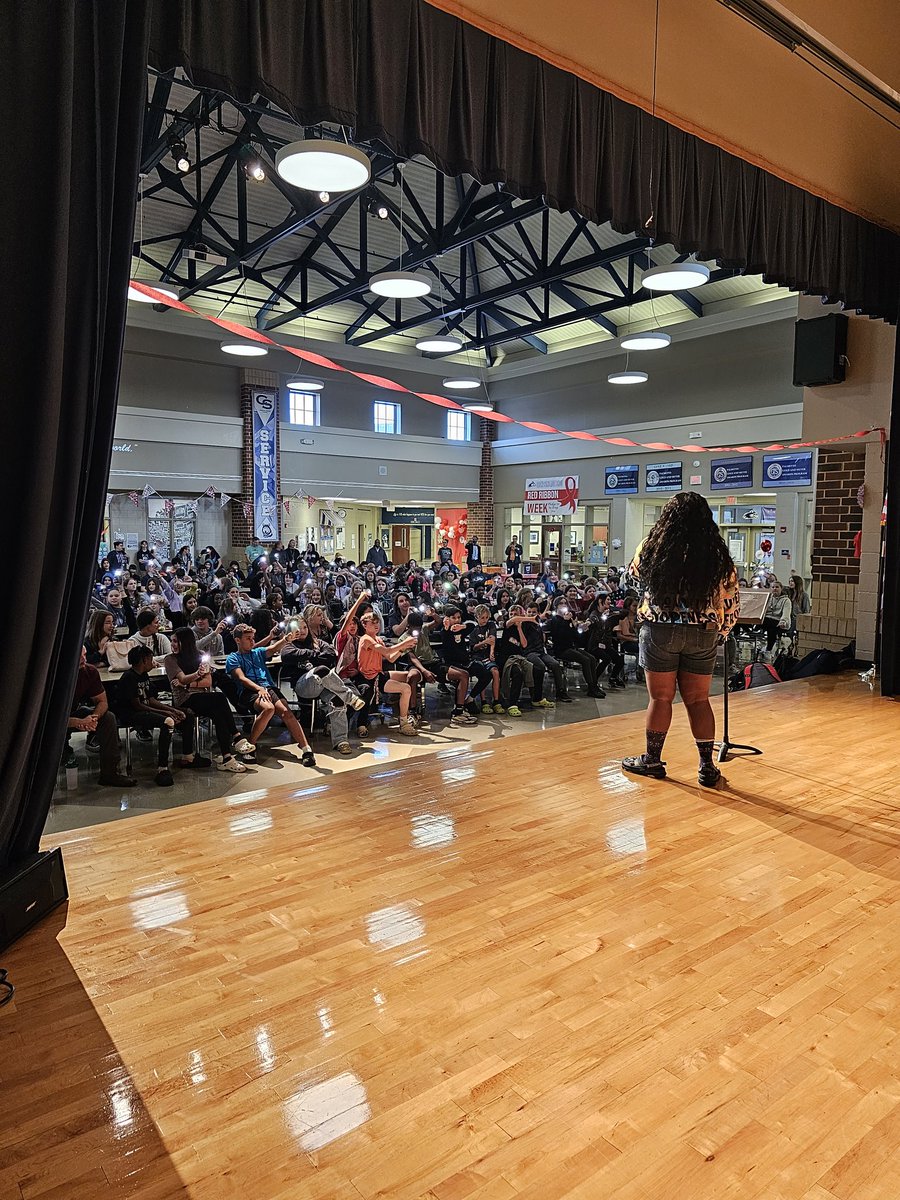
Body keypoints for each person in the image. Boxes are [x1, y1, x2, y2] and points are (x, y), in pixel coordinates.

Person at [621, 492, 739, 788]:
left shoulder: (651, 547)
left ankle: (652, 760)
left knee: (660, 698)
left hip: (660, 629)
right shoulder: (717, 555)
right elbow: (732, 600)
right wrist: (721, 632)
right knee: (698, 700)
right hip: (703, 631)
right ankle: (706, 767)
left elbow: (631, 579)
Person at [165, 627, 253, 772]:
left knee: (219, 715)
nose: (172, 644)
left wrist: (187, 684)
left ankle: (227, 758)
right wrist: (196, 675)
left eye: (175, 641)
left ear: (185, 642)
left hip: (202, 697)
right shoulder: (170, 659)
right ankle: (237, 737)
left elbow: (208, 682)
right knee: (219, 697)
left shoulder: (200, 655)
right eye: (172, 641)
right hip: (185, 699)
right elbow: (182, 678)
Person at [225, 624, 316, 764]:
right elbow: (241, 678)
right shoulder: (233, 658)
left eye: (253, 638)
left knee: (286, 712)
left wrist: (286, 639)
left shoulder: (258, 652)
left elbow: (272, 648)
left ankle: (306, 749)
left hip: (268, 687)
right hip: (249, 691)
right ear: (238, 640)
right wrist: (259, 689)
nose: (252, 641)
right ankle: (250, 746)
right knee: (269, 709)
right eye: (248, 638)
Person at [112, 645, 187, 786]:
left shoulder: (143, 675)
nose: (152, 662)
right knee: (168, 722)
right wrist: (166, 713)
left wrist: (172, 710)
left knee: (182, 715)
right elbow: (137, 705)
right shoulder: (129, 678)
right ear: (144, 660)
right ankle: (162, 767)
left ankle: (188, 756)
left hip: (143, 710)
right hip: (131, 714)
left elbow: (151, 700)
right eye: (150, 659)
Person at [66, 646, 135, 787]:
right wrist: (78, 722)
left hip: (75, 711)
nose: (84, 659)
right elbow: (51, 718)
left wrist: (94, 717)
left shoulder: (89, 671)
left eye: (85, 655)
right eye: (79, 656)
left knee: (108, 717)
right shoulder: (53, 674)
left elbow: (102, 701)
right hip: (51, 718)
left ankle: (110, 774)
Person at [356, 609, 421, 735]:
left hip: (378, 674)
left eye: (378, 622)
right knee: (405, 688)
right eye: (373, 622)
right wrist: (403, 644)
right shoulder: (365, 639)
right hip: (368, 677)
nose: (376, 625)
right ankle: (403, 721)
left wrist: (404, 648)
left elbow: (390, 658)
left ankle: (407, 712)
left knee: (410, 677)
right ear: (364, 625)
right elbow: (387, 652)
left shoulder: (378, 639)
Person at [547, 599, 605, 697]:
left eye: (565, 603)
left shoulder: (569, 619)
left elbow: (574, 637)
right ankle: (591, 687)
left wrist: (576, 627)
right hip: (562, 649)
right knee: (585, 660)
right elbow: (558, 635)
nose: (564, 605)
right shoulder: (554, 620)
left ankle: (594, 685)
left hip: (571, 647)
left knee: (592, 659)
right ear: (556, 606)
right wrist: (566, 622)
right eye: (561, 603)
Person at [762, 579, 792, 652]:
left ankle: (769, 649)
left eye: (777, 587)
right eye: (773, 587)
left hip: (779, 621)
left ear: (781, 588)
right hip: (767, 619)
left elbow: (786, 613)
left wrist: (784, 621)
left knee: (772, 628)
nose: (774, 589)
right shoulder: (768, 598)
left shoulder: (786, 600)